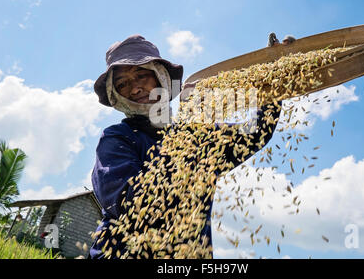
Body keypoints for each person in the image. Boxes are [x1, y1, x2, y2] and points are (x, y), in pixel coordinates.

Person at [89, 34, 292, 259]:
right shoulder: (117, 139)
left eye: (141, 75)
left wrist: (273, 75)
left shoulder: (197, 137)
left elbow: (254, 134)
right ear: (116, 95)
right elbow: (137, 205)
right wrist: (187, 126)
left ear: (161, 78)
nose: (135, 88)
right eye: (122, 84)